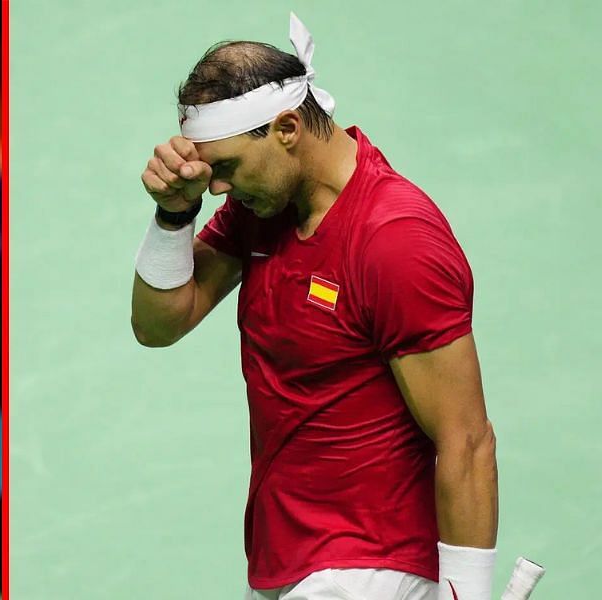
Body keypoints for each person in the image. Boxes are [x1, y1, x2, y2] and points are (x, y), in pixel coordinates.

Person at [130, 14, 497, 600]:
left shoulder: (394, 239)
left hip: (369, 569)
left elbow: (467, 438)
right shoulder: (265, 205)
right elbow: (159, 323)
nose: (215, 187)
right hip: (290, 560)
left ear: (287, 128)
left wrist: (467, 594)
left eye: (223, 167)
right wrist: (175, 214)